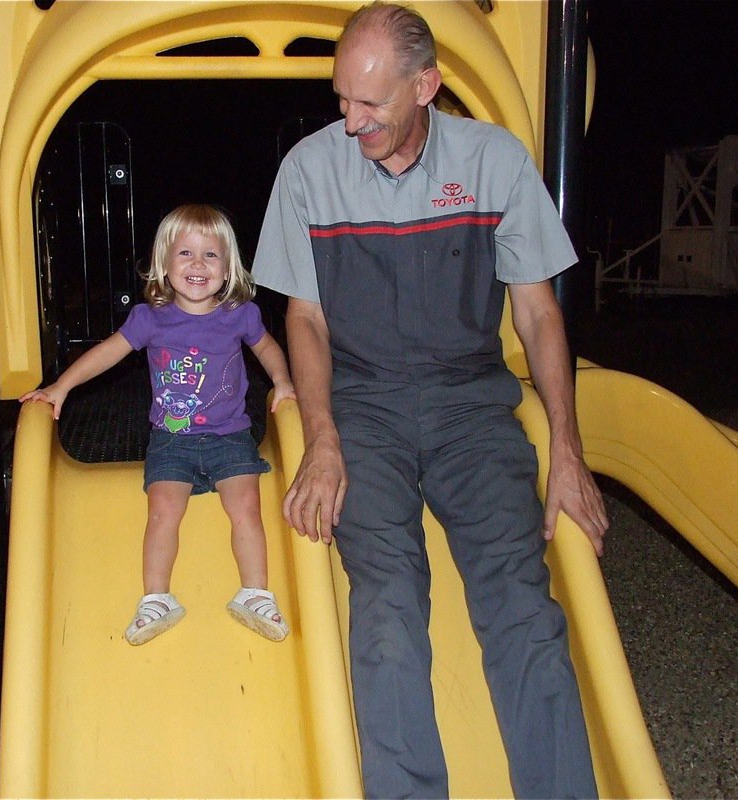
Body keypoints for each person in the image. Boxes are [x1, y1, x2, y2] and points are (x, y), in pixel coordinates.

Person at [251, 3, 608, 797]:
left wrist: (570, 456)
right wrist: (324, 439)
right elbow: (303, 317)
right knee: (385, 609)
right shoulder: (309, 171)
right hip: (364, 409)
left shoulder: (494, 162)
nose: (350, 120)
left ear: (427, 85)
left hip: (471, 409)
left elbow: (539, 311)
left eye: (370, 103)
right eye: (341, 97)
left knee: (522, 603)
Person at [21, 204, 297, 646]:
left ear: (229, 269)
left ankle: (255, 593)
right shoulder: (150, 318)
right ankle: (156, 598)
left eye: (211, 255)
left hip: (231, 436)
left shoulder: (239, 314)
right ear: (163, 265)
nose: (198, 264)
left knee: (246, 508)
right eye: (185, 253)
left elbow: (267, 349)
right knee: (163, 510)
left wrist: (282, 382)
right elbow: (108, 353)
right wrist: (60, 387)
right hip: (171, 440)